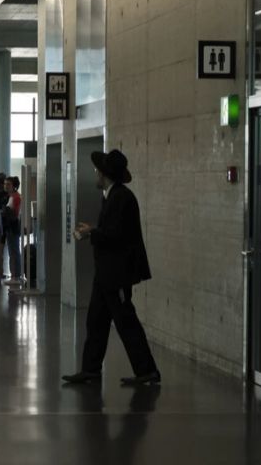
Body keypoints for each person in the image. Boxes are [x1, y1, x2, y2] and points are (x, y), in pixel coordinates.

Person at [62, 149, 160, 386]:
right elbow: (114, 229)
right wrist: (94, 230)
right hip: (107, 273)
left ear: (105, 174)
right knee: (96, 320)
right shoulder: (112, 195)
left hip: (117, 274)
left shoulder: (121, 197)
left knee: (126, 322)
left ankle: (147, 371)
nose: (95, 173)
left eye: (97, 171)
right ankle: (91, 369)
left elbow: (116, 235)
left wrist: (91, 233)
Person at [2, 176, 23, 286]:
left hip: (12, 227)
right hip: (12, 227)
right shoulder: (12, 196)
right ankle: (15, 275)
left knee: (14, 251)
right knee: (13, 251)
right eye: (5, 184)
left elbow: (13, 214)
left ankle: (15, 276)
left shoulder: (15, 197)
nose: (6, 186)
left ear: (14, 186)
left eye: (8, 184)